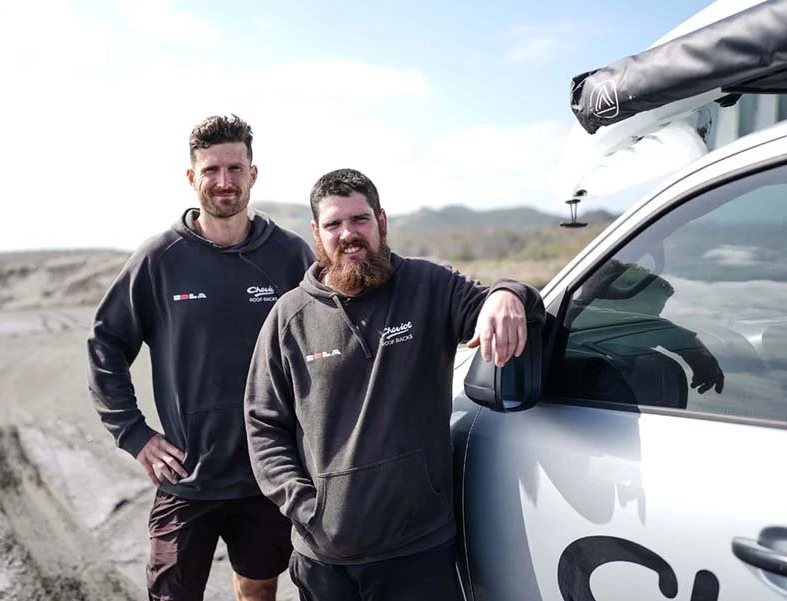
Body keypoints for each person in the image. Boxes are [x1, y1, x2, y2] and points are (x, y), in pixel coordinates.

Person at [244, 168, 543, 601]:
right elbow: (262, 424)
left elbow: (495, 306)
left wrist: (509, 293)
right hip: (324, 558)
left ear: (381, 221)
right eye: (333, 224)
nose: (348, 234)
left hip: (418, 549)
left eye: (359, 220)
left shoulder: (428, 286)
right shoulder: (289, 316)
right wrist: (308, 508)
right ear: (316, 232)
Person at [87, 114, 314, 601]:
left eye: (235, 168)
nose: (224, 182)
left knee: (258, 586)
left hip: (267, 471)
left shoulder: (291, 257)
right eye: (211, 170)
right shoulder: (159, 259)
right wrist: (134, 434)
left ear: (253, 174)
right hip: (187, 474)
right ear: (192, 178)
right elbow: (106, 343)